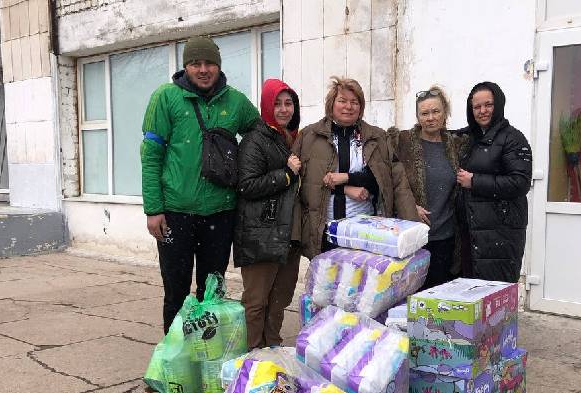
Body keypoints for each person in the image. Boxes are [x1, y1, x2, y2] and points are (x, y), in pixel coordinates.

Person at [141, 36, 260, 333]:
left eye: (210, 63)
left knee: (212, 291)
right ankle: (174, 359)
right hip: (175, 214)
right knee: (176, 291)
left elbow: (259, 139)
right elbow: (151, 155)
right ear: (186, 66)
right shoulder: (166, 97)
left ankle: (206, 351)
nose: (203, 69)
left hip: (220, 213)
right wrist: (153, 209)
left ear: (219, 67)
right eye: (196, 63)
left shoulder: (235, 101)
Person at [292, 77, 419, 259]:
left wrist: (412, 232)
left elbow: (392, 183)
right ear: (331, 104)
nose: (348, 107)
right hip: (324, 231)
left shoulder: (378, 137)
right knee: (329, 284)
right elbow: (301, 186)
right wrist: (294, 236)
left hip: (366, 233)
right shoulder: (309, 137)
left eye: (354, 102)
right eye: (342, 101)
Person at [234, 79, 302, 348]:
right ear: (265, 106)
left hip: (287, 232)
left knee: (280, 299)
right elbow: (246, 185)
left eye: (289, 104)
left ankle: (272, 350)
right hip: (260, 233)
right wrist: (285, 175)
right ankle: (249, 357)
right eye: (277, 103)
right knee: (256, 302)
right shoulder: (255, 140)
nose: (284, 109)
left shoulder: (293, 139)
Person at [456, 81, 532, 283]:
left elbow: (520, 182)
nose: (483, 111)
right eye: (477, 107)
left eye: (488, 105)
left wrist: (475, 181)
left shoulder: (513, 138)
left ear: (498, 105)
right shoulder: (466, 137)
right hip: (472, 230)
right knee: (472, 295)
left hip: (501, 232)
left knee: (497, 295)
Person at [395, 86, 468, 289]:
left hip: (445, 238)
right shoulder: (402, 143)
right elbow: (390, 184)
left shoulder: (456, 145)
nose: (430, 118)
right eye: (424, 113)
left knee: (439, 300)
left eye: (435, 111)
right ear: (418, 116)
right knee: (412, 297)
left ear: (445, 113)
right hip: (413, 237)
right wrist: (410, 207)